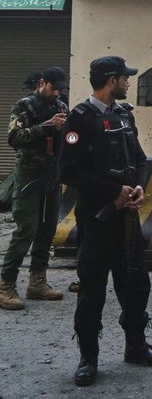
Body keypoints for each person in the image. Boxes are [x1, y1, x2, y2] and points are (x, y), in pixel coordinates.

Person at [59, 56, 152, 386]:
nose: (128, 82)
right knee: (92, 290)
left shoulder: (123, 116)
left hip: (128, 220)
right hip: (97, 219)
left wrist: (136, 188)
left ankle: (136, 347)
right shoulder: (80, 119)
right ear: (110, 81)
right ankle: (88, 359)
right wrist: (112, 192)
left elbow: (138, 159)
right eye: (124, 78)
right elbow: (68, 171)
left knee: (137, 284)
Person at [1, 67, 69, 310]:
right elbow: (13, 138)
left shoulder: (61, 107)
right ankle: (6, 285)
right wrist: (45, 127)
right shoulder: (25, 106)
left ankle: (37, 282)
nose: (57, 93)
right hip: (29, 172)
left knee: (48, 228)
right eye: (54, 88)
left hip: (52, 173)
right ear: (43, 83)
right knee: (26, 228)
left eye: (61, 89)